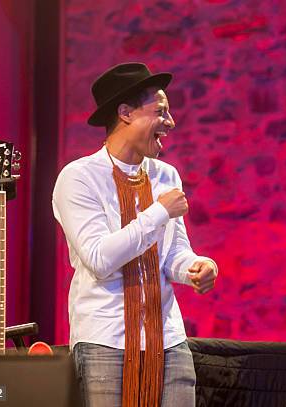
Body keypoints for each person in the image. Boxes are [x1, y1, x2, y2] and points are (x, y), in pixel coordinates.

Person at [52, 62, 218, 407]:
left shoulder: (166, 175)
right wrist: (158, 211)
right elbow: (100, 259)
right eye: (160, 111)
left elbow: (172, 256)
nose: (170, 123)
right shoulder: (79, 177)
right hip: (105, 342)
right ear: (125, 113)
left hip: (167, 340)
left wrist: (197, 266)